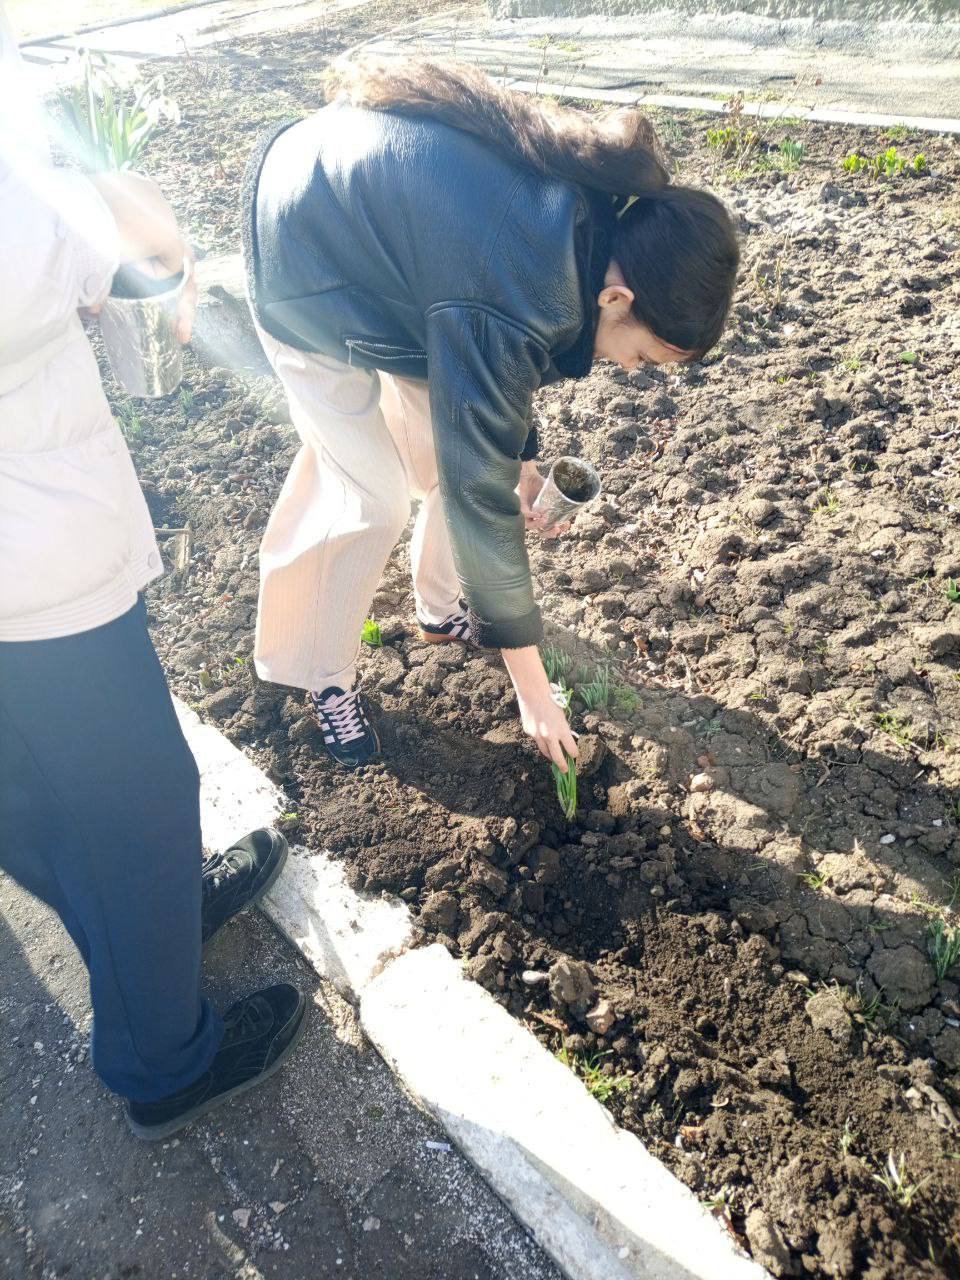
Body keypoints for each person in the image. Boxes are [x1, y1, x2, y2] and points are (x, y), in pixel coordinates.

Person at [243, 56, 739, 771]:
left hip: (405, 269)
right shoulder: (518, 284)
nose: (635, 372)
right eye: (648, 356)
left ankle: (439, 610)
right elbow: (480, 480)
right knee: (370, 497)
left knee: (456, 456)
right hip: (305, 254)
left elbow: (491, 395)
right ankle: (317, 674)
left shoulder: (589, 226)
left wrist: (522, 463)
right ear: (619, 300)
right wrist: (533, 690)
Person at [0, 3, 306, 1141]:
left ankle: (150, 930)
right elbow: (125, 257)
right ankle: (162, 1055)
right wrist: (106, 183)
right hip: (26, 549)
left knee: (35, 786)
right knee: (129, 794)